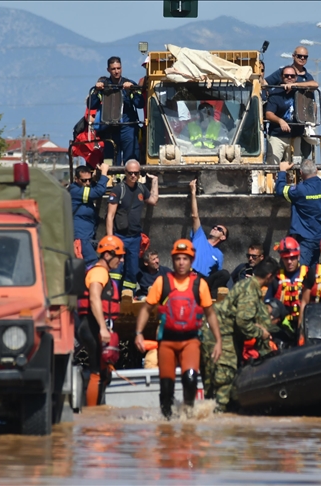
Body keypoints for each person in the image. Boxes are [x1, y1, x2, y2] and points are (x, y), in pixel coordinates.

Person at [134, 239, 222, 419]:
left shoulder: (200, 285)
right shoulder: (162, 283)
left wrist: (218, 340)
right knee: (167, 387)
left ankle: (187, 416)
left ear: (192, 260)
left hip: (190, 341)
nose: (181, 263)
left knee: (190, 379)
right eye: (178, 259)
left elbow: (210, 314)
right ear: (173, 260)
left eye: (185, 259)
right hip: (167, 341)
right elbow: (146, 308)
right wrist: (138, 333)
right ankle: (166, 422)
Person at [204, 259, 278, 412]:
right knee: (224, 377)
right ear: (269, 276)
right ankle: (218, 416)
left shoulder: (247, 285)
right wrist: (261, 333)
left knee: (218, 378)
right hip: (221, 333)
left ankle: (215, 413)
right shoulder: (250, 290)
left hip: (221, 332)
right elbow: (243, 322)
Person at [76, 235, 124, 406]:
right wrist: (103, 328)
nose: (121, 260)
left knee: (103, 372)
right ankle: (93, 416)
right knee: (97, 371)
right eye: (119, 256)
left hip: (95, 326)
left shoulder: (103, 273)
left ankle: (98, 414)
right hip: (92, 327)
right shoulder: (98, 272)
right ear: (107, 255)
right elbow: (94, 298)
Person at [274, 158, 321, 269]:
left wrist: (283, 171)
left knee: (300, 271)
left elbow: (280, 190)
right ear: (316, 170)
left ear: (301, 172)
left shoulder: (299, 191)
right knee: (313, 271)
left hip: (305, 239)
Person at [106, 159, 158, 293]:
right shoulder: (118, 190)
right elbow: (110, 216)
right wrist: (110, 240)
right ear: (125, 173)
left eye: (136, 173)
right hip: (119, 237)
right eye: (130, 173)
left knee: (132, 271)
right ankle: (114, 296)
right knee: (116, 270)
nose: (133, 176)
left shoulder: (141, 188)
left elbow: (153, 200)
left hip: (135, 238)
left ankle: (128, 297)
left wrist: (155, 181)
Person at [88, 56, 144, 165]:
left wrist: (132, 89)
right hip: (110, 128)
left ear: (121, 68)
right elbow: (91, 105)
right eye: (113, 69)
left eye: (118, 68)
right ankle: (111, 181)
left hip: (127, 127)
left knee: (131, 158)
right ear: (108, 70)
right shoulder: (103, 86)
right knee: (110, 160)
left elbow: (140, 104)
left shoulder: (129, 84)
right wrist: (96, 90)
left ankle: (130, 180)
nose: (116, 71)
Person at [188, 178, 230, 297]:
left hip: (204, 281)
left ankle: (210, 298)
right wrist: (193, 193)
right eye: (215, 227)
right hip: (191, 277)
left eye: (219, 229)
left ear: (223, 238)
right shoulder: (199, 237)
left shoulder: (218, 254)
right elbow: (195, 216)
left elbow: (217, 274)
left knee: (225, 275)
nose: (215, 228)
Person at [264, 236, 308, 345]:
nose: (289, 262)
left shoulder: (308, 275)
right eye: (286, 258)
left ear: (298, 257)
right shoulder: (276, 277)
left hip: (305, 323)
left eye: (292, 258)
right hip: (282, 325)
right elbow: (267, 302)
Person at [265, 66, 311, 165]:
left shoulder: (301, 93)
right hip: (278, 136)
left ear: (296, 77)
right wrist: (280, 121)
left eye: (292, 76)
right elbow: (268, 114)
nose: (289, 78)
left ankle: (296, 180)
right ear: (282, 77)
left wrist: (296, 85)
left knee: (296, 166)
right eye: (286, 76)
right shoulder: (275, 94)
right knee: (273, 166)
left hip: (296, 135)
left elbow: (315, 84)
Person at [70, 163, 109, 266]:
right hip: (81, 238)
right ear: (76, 179)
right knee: (92, 264)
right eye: (84, 180)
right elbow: (97, 192)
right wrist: (104, 174)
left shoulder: (83, 187)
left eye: (89, 180)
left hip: (88, 236)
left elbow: (91, 188)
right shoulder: (74, 191)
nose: (87, 183)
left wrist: (96, 178)